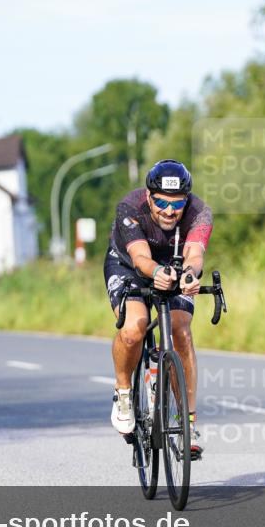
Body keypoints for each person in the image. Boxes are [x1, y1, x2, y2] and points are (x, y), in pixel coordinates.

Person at [104, 159, 213, 459]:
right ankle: (124, 391)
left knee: (181, 331)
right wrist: (155, 274)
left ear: (186, 201)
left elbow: (195, 253)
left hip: (174, 266)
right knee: (135, 327)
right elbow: (140, 257)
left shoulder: (199, 212)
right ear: (149, 197)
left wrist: (189, 276)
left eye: (176, 204)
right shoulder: (129, 208)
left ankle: (187, 423)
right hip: (129, 265)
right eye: (161, 202)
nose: (168, 210)